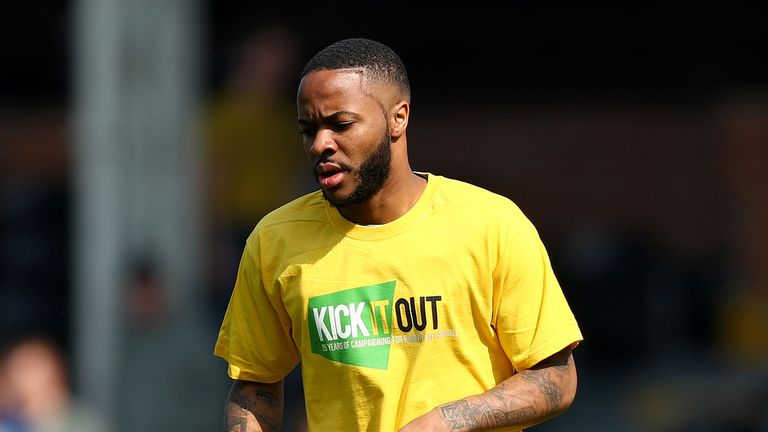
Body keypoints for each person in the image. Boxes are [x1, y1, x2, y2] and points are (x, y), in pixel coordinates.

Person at [214, 37, 583, 431]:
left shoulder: (492, 224)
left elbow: (556, 378)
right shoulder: (275, 240)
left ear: (398, 118)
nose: (321, 144)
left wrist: (447, 420)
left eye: (340, 124)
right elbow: (255, 386)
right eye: (309, 129)